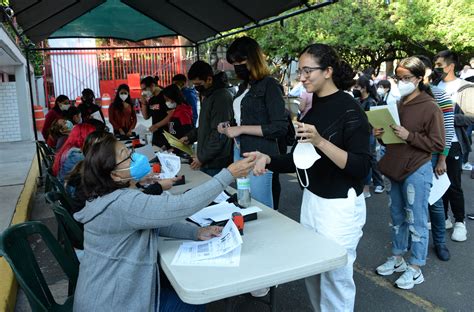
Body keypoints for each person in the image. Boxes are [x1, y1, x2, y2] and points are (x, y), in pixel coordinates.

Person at [248, 43, 370, 311]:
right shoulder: (314, 108)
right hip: (313, 200)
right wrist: (268, 159)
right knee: (313, 274)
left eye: (307, 70)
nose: (301, 77)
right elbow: (301, 159)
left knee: (335, 280)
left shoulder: (350, 109)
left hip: (339, 206)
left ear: (327, 71)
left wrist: (320, 141)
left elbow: (361, 167)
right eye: (300, 71)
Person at [72, 134, 255, 311]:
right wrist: (228, 174)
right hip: (113, 303)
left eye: (130, 152)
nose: (136, 157)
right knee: (190, 303)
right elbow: (182, 205)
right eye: (126, 157)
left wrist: (195, 233)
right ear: (115, 176)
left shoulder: (106, 197)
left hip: (104, 295)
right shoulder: (123, 203)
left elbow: (148, 222)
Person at [375, 56, 445, 289]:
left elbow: (438, 143)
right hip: (395, 166)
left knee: (416, 219)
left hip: (417, 168)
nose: (402, 82)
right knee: (396, 217)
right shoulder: (399, 103)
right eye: (399, 78)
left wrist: (409, 136)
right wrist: (381, 134)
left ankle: (416, 267)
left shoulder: (430, 106)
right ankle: (397, 258)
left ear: (419, 78)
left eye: (407, 78)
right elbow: (394, 139)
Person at [219, 36, 288, 208]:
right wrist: (228, 125)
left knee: (260, 206)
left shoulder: (270, 85)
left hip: (260, 154)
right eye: (233, 62)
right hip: (239, 150)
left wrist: (241, 129)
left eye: (240, 61)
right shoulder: (243, 87)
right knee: (244, 201)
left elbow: (279, 128)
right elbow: (244, 117)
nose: (236, 66)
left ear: (253, 58)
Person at [433, 50, 471, 240]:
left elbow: (470, 117)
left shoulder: (465, 87)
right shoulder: (433, 85)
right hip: (435, 143)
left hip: (454, 142)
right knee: (439, 183)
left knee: (454, 184)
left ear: (451, 66)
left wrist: (445, 116)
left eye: (440, 65)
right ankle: (445, 217)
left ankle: (459, 222)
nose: (436, 68)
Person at [180, 60, 234, 177]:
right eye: (194, 85)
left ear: (209, 79)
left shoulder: (221, 97)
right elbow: (206, 125)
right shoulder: (208, 94)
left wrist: (202, 157)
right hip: (208, 159)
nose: (197, 88)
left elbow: (220, 133)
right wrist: (190, 136)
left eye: (198, 84)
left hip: (216, 161)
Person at [353, 75, 384, 197]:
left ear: (364, 88)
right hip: (360, 134)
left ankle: (370, 187)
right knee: (370, 159)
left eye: (358, 86)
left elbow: (372, 121)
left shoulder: (371, 102)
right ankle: (375, 183)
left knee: (370, 159)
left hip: (369, 134)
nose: (356, 88)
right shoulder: (358, 100)